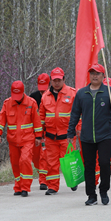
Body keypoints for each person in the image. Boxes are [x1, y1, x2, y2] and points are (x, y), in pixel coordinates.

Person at [68, 64, 111, 205]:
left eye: (98, 73)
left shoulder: (110, 92)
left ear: (103, 76)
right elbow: (74, 113)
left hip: (105, 135)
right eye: (92, 73)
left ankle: (103, 190)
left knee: (104, 163)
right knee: (89, 166)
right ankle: (91, 195)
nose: (95, 75)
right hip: (86, 136)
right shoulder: (82, 93)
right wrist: (70, 131)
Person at [0, 81, 43, 197]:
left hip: (27, 139)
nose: (16, 98)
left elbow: (37, 121)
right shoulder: (7, 103)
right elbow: (1, 120)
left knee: (25, 160)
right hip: (12, 140)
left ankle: (25, 187)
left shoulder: (31, 103)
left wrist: (38, 136)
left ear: (23, 92)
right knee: (15, 163)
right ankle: (18, 186)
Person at [39, 67, 79, 195]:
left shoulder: (72, 94)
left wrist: (78, 130)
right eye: (54, 80)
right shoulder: (45, 96)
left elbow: (79, 114)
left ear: (64, 79)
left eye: (59, 80)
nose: (56, 82)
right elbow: (41, 117)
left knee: (69, 161)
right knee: (51, 163)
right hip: (50, 136)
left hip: (67, 135)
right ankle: (53, 186)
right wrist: (40, 134)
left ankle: (73, 181)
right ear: (50, 80)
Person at [30, 73, 50, 190]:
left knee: (45, 156)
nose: (42, 93)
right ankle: (42, 174)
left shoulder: (53, 96)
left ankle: (44, 180)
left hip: (48, 132)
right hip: (34, 133)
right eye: (41, 90)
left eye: (44, 90)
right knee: (35, 157)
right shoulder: (33, 97)